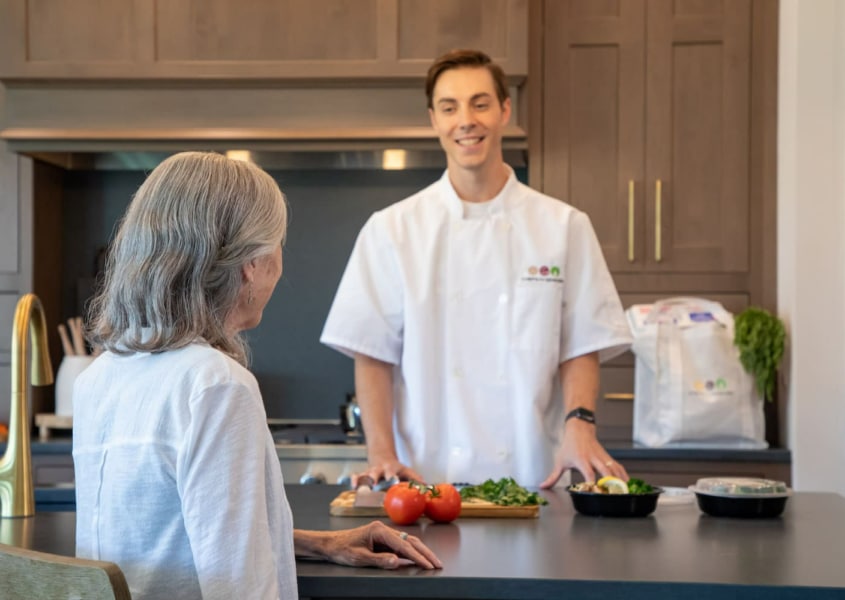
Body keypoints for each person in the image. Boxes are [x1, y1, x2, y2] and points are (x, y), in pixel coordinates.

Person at [73, 152, 441, 600]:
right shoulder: (216, 386)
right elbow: (240, 589)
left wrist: (320, 543)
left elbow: (173, 539)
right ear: (250, 262)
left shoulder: (101, 377)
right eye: (277, 245)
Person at [321, 49, 633, 490]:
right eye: (450, 107)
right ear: (434, 119)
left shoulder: (563, 226)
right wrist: (382, 454)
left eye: (480, 103)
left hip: (537, 474)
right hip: (426, 482)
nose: (466, 120)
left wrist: (580, 426)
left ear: (505, 110)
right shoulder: (392, 230)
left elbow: (582, 342)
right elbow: (371, 353)